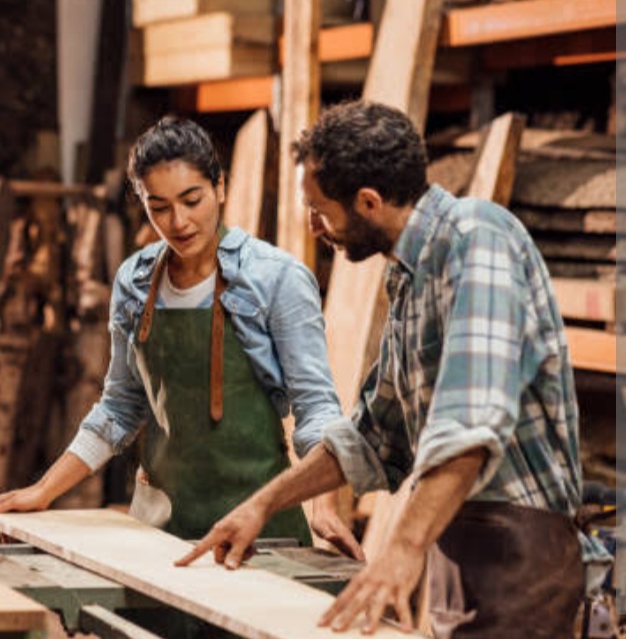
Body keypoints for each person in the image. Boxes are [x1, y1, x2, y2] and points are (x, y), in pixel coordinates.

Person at [176, 100, 608, 637]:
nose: (314, 227)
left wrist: (402, 547)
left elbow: (471, 423)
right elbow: (373, 437)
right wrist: (261, 505)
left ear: (369, 202)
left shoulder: (478, 239)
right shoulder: (409, 276)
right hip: (460, 549)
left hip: (522, 555)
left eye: (320, 210)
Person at [0, 116, 362, 561]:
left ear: (219, 187)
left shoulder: (277, 278)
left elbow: (317, 407)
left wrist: (325, 505)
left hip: (259, 530)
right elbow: (119, 408)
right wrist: (44, 490)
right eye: (158, 207)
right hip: (158, 533)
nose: (178, 222)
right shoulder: (134, 281)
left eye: (191, 200)